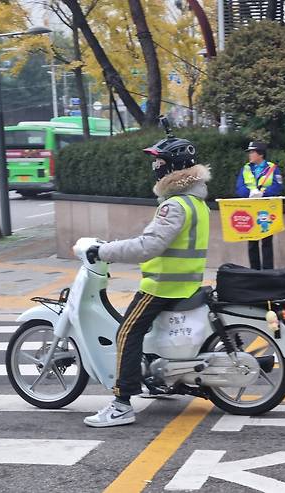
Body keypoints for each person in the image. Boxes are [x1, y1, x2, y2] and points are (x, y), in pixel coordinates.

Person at [82, 135, 211, 428]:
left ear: (172, 167)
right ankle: (157, 380)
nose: (155, 166)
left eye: (159, 161)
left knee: (126, 335)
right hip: (186, 283)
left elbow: (148, 246)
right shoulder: (197, 203)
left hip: (162, 286)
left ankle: (122, 404)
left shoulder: (175, 205)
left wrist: (104, 251)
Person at [235, 141, 283, 270]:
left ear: (260, 154)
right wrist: (249, 193)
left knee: (267, 241)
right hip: (250, 208)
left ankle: (268, 272)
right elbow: (239, 187)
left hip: (266, 208)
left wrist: (263, 193)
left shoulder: (272, 168)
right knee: (252, 241)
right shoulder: (245, 168)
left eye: (252, 152)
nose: (250, 155)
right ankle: (254, 271)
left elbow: (277, 186)